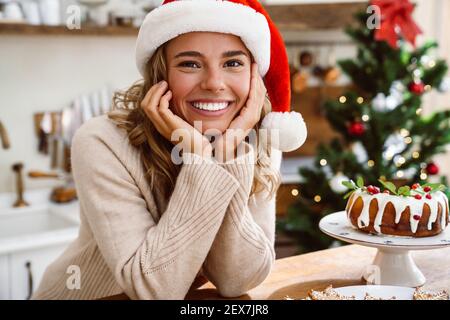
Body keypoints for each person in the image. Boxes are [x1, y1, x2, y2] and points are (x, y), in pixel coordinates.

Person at [32, 0, 307, 300]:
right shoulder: (101, 142)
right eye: (190, 63)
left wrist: (227, 153)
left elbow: (237, 280)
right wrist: (200, 159)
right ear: (161, 75)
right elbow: (153, 290)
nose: (214, 83)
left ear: (255, 78)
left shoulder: (258, 140)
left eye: (232, 63)